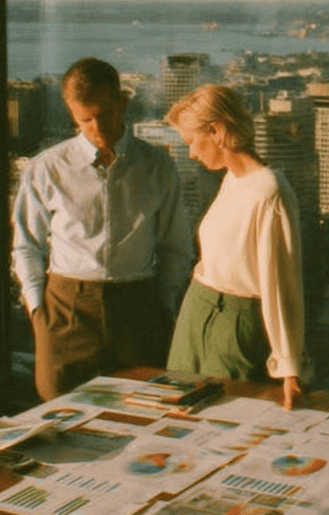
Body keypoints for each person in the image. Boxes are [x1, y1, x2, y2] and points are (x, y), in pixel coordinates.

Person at [12, 57, 195, 400]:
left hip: (138, 308)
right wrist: (38, 311)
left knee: (142, 410)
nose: (97, 128)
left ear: (122, 102)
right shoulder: (47, 168)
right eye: (85, 119)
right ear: (71, 113)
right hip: (66, 309)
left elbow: (176, 245)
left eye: (106, 114)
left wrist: (164, 305)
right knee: (58, 410)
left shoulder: (157, 166)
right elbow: (26, 244)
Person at [164, 84, 308, 409]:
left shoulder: (269, 192)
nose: (191, 153)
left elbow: (281, 284)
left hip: (234, 325)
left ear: (215, 131)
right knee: (176, 413)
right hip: (195, 309)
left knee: (224, 418)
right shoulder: (232, 179)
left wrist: (289, 367)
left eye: (191, 141)